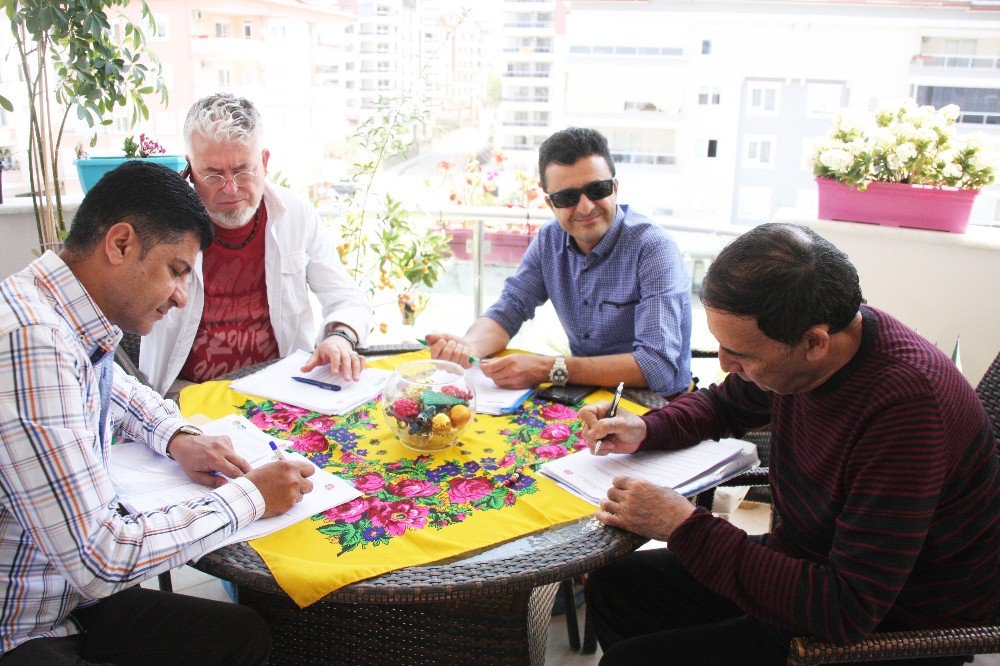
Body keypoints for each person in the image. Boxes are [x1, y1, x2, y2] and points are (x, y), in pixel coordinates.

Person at [579, 223, 999, 664]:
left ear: (814, 342)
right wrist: (647, 429)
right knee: (617, 586)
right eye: (721, 346)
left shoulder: (906, 414)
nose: (725, 364)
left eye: (741, 354)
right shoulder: (816, 347)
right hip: (812, 563)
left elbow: (845, 608)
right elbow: (727, 403)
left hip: (887, 626)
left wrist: (685, 527)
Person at [0, 160, 317, 664]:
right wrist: (250, 497)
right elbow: (101, 557)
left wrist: (178, 436)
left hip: (64, 597)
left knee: (244, 635)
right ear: (120, 243)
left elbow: (122, 392)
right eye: (176, 271)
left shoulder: (55, 310)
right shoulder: (32, 342)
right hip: (22, 627)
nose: (180, 296)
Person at [427, 127, 692, 397]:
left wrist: (548, 368)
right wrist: (469, 347)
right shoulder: (549, 241)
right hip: (587, 396)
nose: (586, 207)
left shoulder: (654, 249)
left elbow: (658, 368)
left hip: (658, 406)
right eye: (566, 198)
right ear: (551, 204)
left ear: (615, 188)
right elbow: (510, 309)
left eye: (597, 189)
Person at [141, 92, 374, 396]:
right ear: (190, 169)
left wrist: (340, 337)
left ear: (264, 162)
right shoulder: (160, 226)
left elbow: (347, 300)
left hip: (283, 388)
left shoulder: (296, 214)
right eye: (212, 174)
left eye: (242, 170)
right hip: (187, 393)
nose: (230, 188)